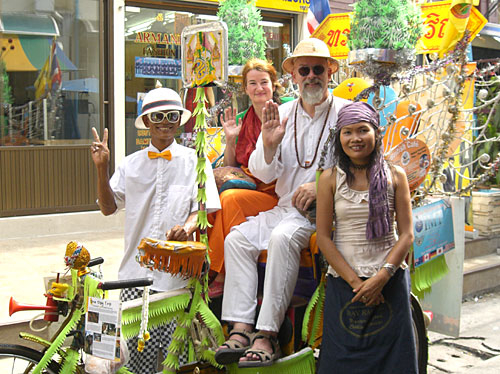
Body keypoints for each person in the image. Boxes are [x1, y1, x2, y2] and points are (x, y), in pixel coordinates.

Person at [215, 38, 350, 368]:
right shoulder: (281, 113)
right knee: (237, 240)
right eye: (304, 70)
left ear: (330, 72)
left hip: (325, 212)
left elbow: (363, 161)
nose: (311, 76)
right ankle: (241, 327)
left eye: (318, 69)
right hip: (285, 208)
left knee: (281, 237)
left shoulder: (345, 112)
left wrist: (321, 186)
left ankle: (268, 333)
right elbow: (261, 170)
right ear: (294, 76)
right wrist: (270, 144)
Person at [90, 87, 220, 373]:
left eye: (172, 115)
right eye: (158, 116)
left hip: (177, 278)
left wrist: (187, 228)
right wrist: (102, 167)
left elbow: (204, 209)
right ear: (147, 121)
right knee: (138, 362)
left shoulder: (196, 161)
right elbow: (108, 207)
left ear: (180, 119)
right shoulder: (130, 165)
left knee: (179, 359)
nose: (165, 121)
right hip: (134, 276)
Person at [316, 101, 417, 373]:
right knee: (342, 361)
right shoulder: (329, 179)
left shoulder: (396, 175)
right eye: (347, 132)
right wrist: (358, 284)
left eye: (362, 130)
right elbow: (324, 237)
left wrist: (381, 277)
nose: (355, 139)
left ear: (376, 132)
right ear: (339, 137)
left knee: (394, 361)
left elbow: (407, 233)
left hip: (390, 281)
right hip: (345, 284)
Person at [207, 58, 282, 297]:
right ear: (246, 88)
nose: (259, 88)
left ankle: (219, 271)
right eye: (253, 83)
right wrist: (230, 140)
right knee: (212, 203)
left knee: (229, 199)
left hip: (276, 193)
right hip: (248, 187)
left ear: (274, 84)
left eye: (264, 82)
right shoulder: (242, 119)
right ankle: (211, 265)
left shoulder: (288, 112)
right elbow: (232, 168)